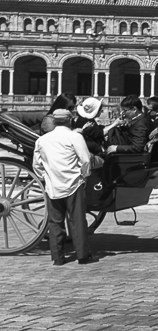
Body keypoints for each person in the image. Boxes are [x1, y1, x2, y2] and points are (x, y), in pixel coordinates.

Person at [33, 109, 103, 265]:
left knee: (55, 222)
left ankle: (58, 257)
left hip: (53, 185)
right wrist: (84, 176)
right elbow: (85, 160)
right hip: (73, 183)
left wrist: (46, 177)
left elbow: (36, 165)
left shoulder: (42, 140)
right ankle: (83, 255)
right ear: (70, 120)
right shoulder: (75, 137)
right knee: (77, 220)